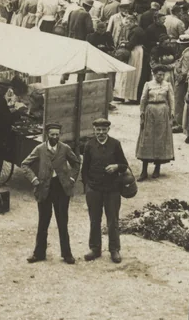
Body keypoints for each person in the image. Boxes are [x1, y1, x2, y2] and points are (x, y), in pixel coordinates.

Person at [19, 123, 82, 264]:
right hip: (44, 189)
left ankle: (67, 254)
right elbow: (25, 164)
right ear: (47, 135)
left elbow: (76, 163)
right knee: (43, 222)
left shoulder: (65, 149)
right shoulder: (40, 149)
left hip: (61, 189)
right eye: (52, 134)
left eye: (57, 134)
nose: (55, 137)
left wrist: (71, 179)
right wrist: (34, 179)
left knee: (62, 223)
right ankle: (39, 253)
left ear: (60, 135)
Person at [81, 118, 129, 263]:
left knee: (112, 220)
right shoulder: (89, 145)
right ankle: (95, 249)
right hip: (94, 189)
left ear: (108, 130)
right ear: (94, 130)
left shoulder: (115, 144)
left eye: (103, 130)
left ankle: (114, 249)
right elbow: (84, 170)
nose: (101, 133)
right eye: (98, 130)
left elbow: (124, 165)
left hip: (112, 189)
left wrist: (116, 166)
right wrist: (88, 187)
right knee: (94, 220)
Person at [136, 65, 175, 180]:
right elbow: (143, 99)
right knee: (147, 139)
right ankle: (144, 171)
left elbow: (171, 99)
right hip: (150, 111)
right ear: (154, 74)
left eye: (163, 75)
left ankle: (157, 168)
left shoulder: (167, 85)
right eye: (159, 75)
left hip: (162, 112)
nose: (161, 77)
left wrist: (172, 112)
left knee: (160, 139)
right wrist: (142, 112)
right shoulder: (148, 84)